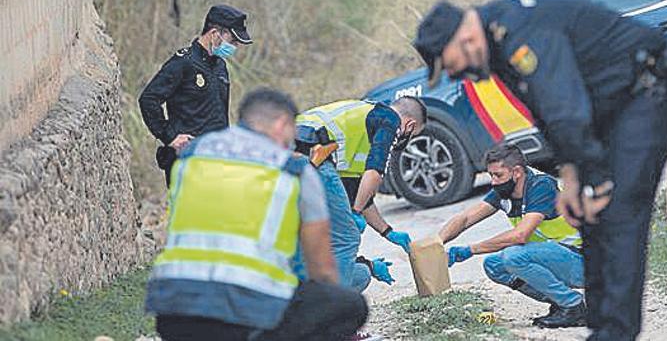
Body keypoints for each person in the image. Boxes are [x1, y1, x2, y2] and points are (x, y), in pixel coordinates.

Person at [413, 0, 667, 341]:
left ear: (464, 37)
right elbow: (546, 113)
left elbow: (565, 110)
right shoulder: (498, 46)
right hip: (612, 102)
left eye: (449, 63)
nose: (455, 73)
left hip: (651, 87)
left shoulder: (520, 31)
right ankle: (603, 327)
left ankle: (616, 332)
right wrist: (572, 179)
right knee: (587, 215)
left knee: (618, 209)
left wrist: (595, 180)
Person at [145, 87, 367, 341]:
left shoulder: (192, 158)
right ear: (282, 124)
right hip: (245, 314)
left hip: (173, 310)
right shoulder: (293, 171)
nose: (292, 145)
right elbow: (322, 270)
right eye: (292, 136)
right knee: (350, 306)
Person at [440, 144, 586, 328]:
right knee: (494, 265)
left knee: (514, 256)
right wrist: (437, 242)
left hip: (581, 260)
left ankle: (573, 306)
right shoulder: (505, 190)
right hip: (554, 257)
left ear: (516, 172)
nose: (493, 181)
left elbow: (520, 235)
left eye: (498, 175)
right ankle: (560, 301)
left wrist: (470, 250)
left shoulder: (541, 185)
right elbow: (466, 217)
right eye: (490, 175)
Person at [294, 96, 427, 292]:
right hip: (312, 152)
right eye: (413, 134)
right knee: (347, 237)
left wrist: (387, 232)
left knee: (318, 240)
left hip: (283, 150)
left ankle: (308, 297)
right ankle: (329, 309)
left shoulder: (360, 125)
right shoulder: (391, 120)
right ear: (409, 125)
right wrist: (354, 213)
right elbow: (374, 173)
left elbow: (360, 195)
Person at [139, 4, 253, 186]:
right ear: (215, 33)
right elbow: (149, 99)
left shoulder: (220, 66)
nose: (235, 46)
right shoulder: (183, 63)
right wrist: (169, 136)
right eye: (232, 41)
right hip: (188, 161)